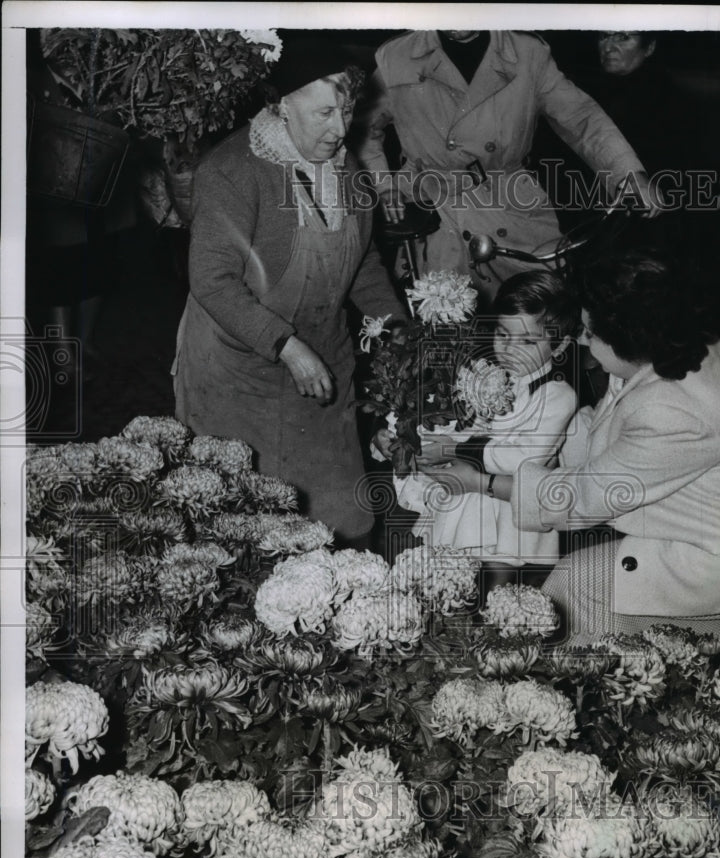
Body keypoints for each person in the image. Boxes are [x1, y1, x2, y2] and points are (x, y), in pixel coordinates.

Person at [417, 250, 720, 651]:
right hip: (691, 528)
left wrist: (479, 482)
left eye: (591, 331)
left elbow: (581, 499)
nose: (580, 338)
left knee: (564, 602)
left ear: (628, 338)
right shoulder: (682, 344)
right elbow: (609, 432)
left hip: (714, 561)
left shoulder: (676, 411)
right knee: (562, 594)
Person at [172, 37, 409, 546]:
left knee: (340, 520)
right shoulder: (233, 171)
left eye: (346, 111)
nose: (339, 129)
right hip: (237, 377)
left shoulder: (348, 172)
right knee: (244, 533)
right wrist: (288, 346)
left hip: (324, 368)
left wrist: (396, 329)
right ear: (280, 104)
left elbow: (363, 264)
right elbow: (213, 281)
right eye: (323, 112)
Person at [356, 30, 662, 306]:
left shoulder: (528, 52)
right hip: (436, 206)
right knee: (447, 323)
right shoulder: (397, 56)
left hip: (512, 203)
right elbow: (364, 129)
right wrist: (383, 185)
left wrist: (628, 174)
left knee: (547, 311)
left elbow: (581, 117)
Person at [387, 271, 578, 579]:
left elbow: (524, 458)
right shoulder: (485, 374)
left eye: (528, 341)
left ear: (559, 346)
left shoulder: (557, 395)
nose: (511, 350)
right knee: (448, 576)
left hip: (510, 512)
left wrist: (454, 449)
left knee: (495, 588)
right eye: (503, 335)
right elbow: (462, 423)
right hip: (467, 502)